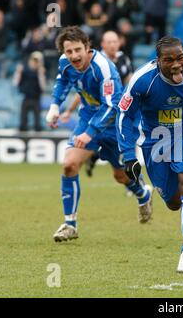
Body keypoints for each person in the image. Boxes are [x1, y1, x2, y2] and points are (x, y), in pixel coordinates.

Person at [116, 36, 183, 273]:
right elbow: (125, 117)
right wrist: (129, 155)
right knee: (174, 203)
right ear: (157, 61)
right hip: (154, 141)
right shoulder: (142, 81)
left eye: (180, 58)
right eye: (169, 60)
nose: (176, 64)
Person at [45, 26, 153, 242]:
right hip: (87, 119)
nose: (74, 56)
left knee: (120, 176)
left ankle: (143, 194)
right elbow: (63, 82)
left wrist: (90, 133)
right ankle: (70, 224)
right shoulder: (65, 63)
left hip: (115, 124)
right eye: (69, 52)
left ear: (87, 47)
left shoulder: (103, 68)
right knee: (69, 165)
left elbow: (112, 106)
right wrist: (55, 106)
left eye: (78, 50)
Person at [60, 30, 136, 180]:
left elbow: (130, 84)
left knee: (121, 174)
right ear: (102, 44)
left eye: (115, 42)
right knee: (70, 164)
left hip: (114, 119)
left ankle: (140, 190)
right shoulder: (91, 62)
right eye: (109, 42)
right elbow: (81, 91)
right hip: (93, 117)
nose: (113, 45)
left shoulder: (124, 60)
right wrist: (69, 109)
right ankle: (93, 156)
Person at [13, 51, 46, 132]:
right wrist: (18, 73)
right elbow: (15, 83)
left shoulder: (40, 72)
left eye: (37, 61)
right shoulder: (23, 70)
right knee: (23, 122)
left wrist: (41, 75)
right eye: (34, 60)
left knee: (37, 124)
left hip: (36, 98)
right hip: (25, 97)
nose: (35, 63)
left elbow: (43, 87)